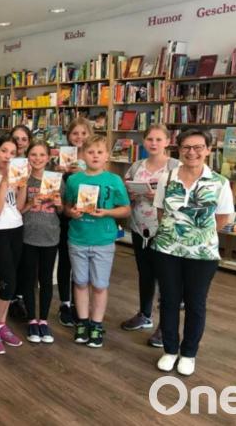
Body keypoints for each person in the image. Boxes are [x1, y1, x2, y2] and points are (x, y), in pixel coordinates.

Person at [150, 128, 235, 376]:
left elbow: (221, 218)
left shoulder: (219, 182)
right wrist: (175, 235)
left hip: (202, 254)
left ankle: (188, 353)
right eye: (187, 147)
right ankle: (169, 350)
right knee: (168, 301)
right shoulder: (168, 177)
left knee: (196, 303)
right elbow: (160, 210)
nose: (192, 152)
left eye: (198, 147)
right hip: (167, 250)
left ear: (208, 150)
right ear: (179, 150)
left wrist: (196, 234)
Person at [64, 134, 130, 348]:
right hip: (78, 238)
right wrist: (71, 212)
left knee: (100, 285)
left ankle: (96, 324)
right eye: (90, 152)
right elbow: (66, 207)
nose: (95, 156)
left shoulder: (114, 180)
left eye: (99, 152)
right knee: (81, 282)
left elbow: (126, 209)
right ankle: (82, 322)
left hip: (103, 240)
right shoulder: (74, 180)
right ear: (83, 155)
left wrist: (108, 212)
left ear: (107, 156)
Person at [119, 124, 180, 348]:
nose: (153, 143)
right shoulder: (136, 166)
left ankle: (166, 326)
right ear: (144, 142)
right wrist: (131, 194)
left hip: (165, 231)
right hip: (139, 228)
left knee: (167, 279)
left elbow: (184, 197)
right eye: (149, 139)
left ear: (167, 142)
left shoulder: (176, 166)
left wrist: (161, 196)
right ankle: (144, 314)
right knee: (145, 273)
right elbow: (125, 194)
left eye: (158, 139)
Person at [0, 135, 27, 355]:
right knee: (6, 283)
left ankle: (1, 324)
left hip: (17, 227)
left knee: (15, 280)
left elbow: (17, 206)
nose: (8, 156)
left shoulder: (14, 173)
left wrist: (23, 185)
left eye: (13, 152)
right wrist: (6, 180)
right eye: (4, 151)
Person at [18, 140, 63, 344]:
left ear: (48, 157)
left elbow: (62, 212)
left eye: (41, 155)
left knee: (46, 280)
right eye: (33, 155)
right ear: (27, 157)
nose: (37, 159)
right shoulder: (23, 180)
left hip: (50, 236)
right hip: (28, 236)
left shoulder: (56, 180)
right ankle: (31, 320)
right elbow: (18, 210)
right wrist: (30, 203)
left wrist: (60, 204)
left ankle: (43, 320)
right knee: (28, 279)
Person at [55, 117, 92, 327]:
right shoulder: (62, 159)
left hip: (86, 219)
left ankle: (81, 303)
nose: (79, 137)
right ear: (69, 136)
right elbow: (53, 190)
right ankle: (65, 303)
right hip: (64, 217)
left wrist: (85, 173)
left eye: (83, 133)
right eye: (75, 133)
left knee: (83, 261)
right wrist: (60, 174)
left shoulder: (93, 157)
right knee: (65, 261)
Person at [7, 125, 33, 321]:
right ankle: (12, 299)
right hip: (12, 219)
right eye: (16, 138)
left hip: (32, 220)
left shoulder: (35, 161)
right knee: (13, 263)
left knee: (27, 264)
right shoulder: (7, 162)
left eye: (24, 139)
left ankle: (22, 298)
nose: (20, 142)